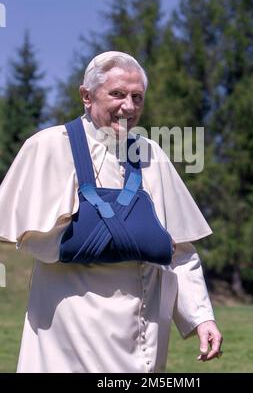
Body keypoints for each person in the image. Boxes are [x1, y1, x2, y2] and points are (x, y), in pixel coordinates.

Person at [0, 51, 222, 373]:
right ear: (86, 96)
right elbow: (33, 239)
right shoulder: (48, 146)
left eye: (137, 97)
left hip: (140, 335)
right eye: (117, 94)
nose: (128, 107)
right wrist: (113, 235)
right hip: (67, 334)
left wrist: (202, 317)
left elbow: (180, 251)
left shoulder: (151, 156)